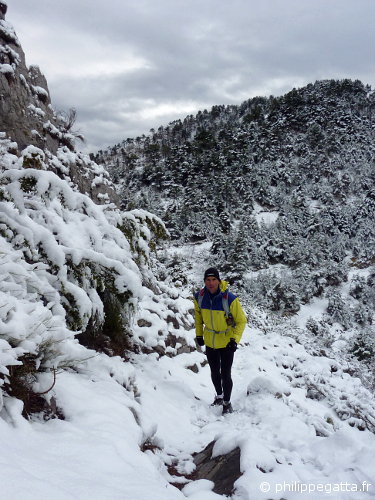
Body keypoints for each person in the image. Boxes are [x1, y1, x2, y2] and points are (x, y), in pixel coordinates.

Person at [194, 267, 247, 414]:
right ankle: (219, 396)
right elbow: (198, 319)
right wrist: (199, 335)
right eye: (208, 280)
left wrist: (234, 340)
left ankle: (227, 402)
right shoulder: (199, 297)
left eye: (213, 279)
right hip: (210, 341)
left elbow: (242, 321)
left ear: (219, 280)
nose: (211, 283)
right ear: (204, 281)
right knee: (214, 372)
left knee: (225, 374)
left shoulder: (229, 299)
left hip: (226, 342)